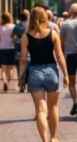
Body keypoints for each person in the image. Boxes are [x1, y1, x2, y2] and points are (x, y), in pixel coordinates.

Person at [19, 7, 69, 142]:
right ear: (45, 18)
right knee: (53, 107)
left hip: (34, 73)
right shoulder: (53, 34)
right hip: (51, 72)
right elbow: (59, 55)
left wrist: (21, 77)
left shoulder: (26, 37)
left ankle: (44, 140)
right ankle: (53, 137)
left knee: (40, 110)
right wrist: (65, 74)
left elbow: (23, 59)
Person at [0, 12, 17, 92]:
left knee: (3, 69)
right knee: (11, 69)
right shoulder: (13, 27)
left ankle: (4, 82)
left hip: (2, 49)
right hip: (11, 49)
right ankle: (8, 83)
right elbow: (14, 38)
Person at [14, 9, 30, 92]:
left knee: (18, 64)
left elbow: (12, 36)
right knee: (27, 63)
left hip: (18, 47)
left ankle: (21, 81)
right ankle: (25, 82)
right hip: (28, 47)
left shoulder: (17, 26)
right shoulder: (30, 27)